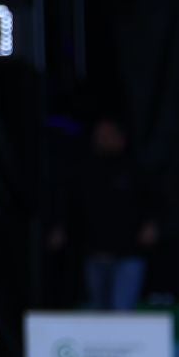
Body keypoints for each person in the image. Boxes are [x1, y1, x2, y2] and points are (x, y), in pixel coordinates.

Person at [50, 117, 158, 311]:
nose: (101, 139)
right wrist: (62, 227)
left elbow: (155, 200)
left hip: (128, 252)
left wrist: (151, 224)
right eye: (99, 135)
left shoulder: (135, 169)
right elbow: (70, 203)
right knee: (99, 309)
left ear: (120, 138)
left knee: (120, 308)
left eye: (107, 135)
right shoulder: (85, 170)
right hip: (95, 251)